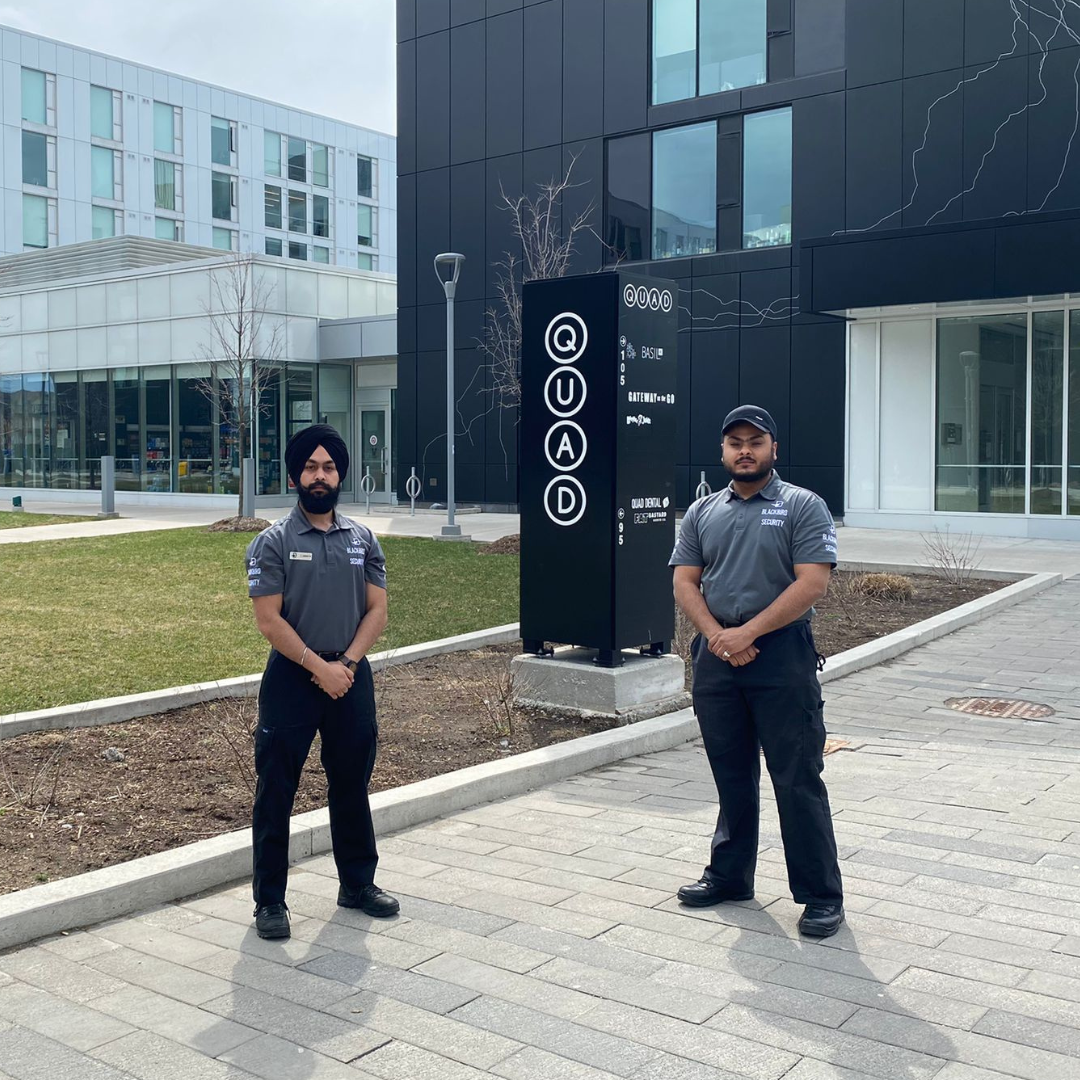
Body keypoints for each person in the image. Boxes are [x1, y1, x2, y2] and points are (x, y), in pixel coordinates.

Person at [669, 405, 844, 938]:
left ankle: (819, 896)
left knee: (797, 778)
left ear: (774, 449)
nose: (745, 451)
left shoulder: (802, 506)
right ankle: (728, 875)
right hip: (717, 658)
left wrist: (748, 634)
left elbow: (812, 583)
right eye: (734, 443)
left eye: (755, 442)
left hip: (781, 657)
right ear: (722, 452)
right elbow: (684, 582)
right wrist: (720, 637)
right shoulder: (702, 512)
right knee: (731, 774)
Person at [245, 423, 398, 939]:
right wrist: (319, 666)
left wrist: (349, 664)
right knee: (276, 790)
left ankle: (357, 884)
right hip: (294, 676)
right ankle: (270, 902)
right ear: (295, 475)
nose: (320, 474)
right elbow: (269, 620)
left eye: (328, 466)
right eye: (310, 466)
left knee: (351, 783)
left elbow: (376, 610)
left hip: (351, 674)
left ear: (340, 474)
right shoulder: (273, 543)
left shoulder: (363, 539)